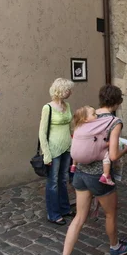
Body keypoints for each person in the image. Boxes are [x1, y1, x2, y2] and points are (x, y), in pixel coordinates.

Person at [55, 85, 127, 255]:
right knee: (110, 213)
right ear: (117, 103)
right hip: (100, 176)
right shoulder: (115, 122)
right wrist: (125, 150)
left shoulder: (85, 115)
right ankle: (115, 247)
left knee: (79, 218)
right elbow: (113, 155)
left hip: (79, 173)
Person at [40, 78, 75, 226]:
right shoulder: (47, 108)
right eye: (67, 89)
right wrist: (46, 153)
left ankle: (64, 208)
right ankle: (53, 214)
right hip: (54, 149)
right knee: (53, 182)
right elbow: (42, 132)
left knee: (63, 179)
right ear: (60, 90)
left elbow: (70, 127)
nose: (70, 92)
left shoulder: (67, 105)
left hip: (67, 147)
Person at [71, 106, 114, 185]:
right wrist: (110, 143)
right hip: (87, 158)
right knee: (106, 155)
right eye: (93, 114)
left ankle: (73, 165)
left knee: (77, 147)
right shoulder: (93, 128)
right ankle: (106, 175)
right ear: (85, 119)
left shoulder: (78, 127)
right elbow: (100, 143)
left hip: (75, 156)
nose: (97, 116)